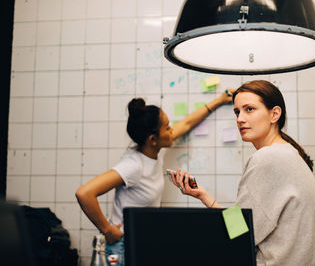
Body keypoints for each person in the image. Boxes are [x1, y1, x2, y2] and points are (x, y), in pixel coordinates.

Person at [170, 80, 315, 266]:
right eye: (237, 111)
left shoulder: (268, 158)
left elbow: (239, 234)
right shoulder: (287, 152)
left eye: (249, 109)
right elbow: (246, 227)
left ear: (274, 114)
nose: (240, 119)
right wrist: (203, 195)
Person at [75, 90, 234, 266]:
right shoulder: (133, 165)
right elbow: (84, 193)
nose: (172, 129)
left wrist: (219, 100)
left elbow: (187, 123)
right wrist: (108, 230)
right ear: (153, 139)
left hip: (141, 241)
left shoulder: (156, 150)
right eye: (167, 127)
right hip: (122, 246)